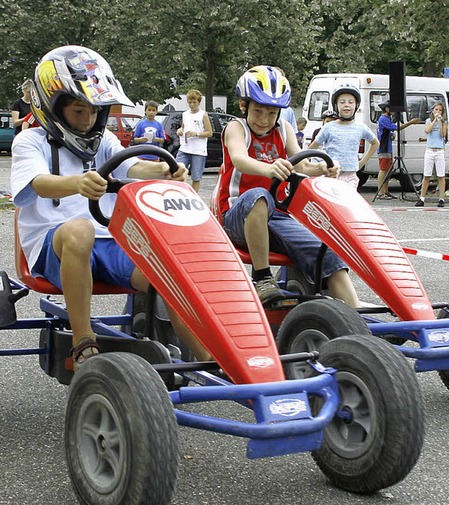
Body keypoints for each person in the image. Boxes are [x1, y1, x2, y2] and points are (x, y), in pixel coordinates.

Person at [11, 45, 209, 369]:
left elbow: (131, 167)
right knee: (80, 229)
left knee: (168, 266)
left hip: (107, 241)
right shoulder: (30, 141)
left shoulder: (102, 142)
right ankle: (83, 342)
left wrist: (163, 170)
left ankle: (211, 362)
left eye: (93, 110)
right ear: (53, 107)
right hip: (54, 246)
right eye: (78, 110)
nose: (88, 119)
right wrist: (76, 183)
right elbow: (35, 182)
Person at [217, 65, 359, 307]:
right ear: (244, 106)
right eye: (258, 111)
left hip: (276, 218)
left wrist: (323, 169)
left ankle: (360, 325)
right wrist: (269, 168)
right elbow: (239, 158)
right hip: (236, 218)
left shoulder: (284, 129)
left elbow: (301, 166)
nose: (264, 119)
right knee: (259, 196)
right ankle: (262, 278)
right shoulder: (236, 128)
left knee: (327, 254)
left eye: (271, 113)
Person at [308, 84, 379, 189]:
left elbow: (375, 143)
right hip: (331, 176)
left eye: (351, 102)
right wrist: (309, 165)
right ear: (336, 106)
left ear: (356, 105)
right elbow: (311, 148)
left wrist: (362, 162)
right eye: (342, 102)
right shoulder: (328, 127)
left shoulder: (361, 127)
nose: (346, 105)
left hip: (351, 176)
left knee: (348, 203)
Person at [376, 101, 420, 200]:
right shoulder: (383, 119)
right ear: (386, 109)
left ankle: (385, 191)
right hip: (384, 148)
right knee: (383, 170)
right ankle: (380, 192)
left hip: (387, 147)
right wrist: (411, 122)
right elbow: (398, 128)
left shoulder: (386, 118)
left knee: (387, 170)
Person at [176, 89, 213, 193]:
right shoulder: (185, 114)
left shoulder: (203, 115)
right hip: (184, 148)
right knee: (177, 172)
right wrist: (179, 131)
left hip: (198, 150)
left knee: (196, 177)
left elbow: (210, 133)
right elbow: (183, 127)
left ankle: (194, 196)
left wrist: (196, 133)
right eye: (190, 102)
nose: (192, 104)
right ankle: (179, 193)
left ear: (199, 102)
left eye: (194, 102)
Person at [415, 101, 448, 208]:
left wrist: (441, 123)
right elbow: (427, 130)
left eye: (440, 110)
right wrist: (434, 121)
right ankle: (422, 198)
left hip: (439, 151)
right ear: (433, 111)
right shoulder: (428, 121)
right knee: (427, 175)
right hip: (430, 150)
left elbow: (443, 135)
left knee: (440, 175)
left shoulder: (444, 122)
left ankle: (441, 198)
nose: (438, 112)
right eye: (436, 110)